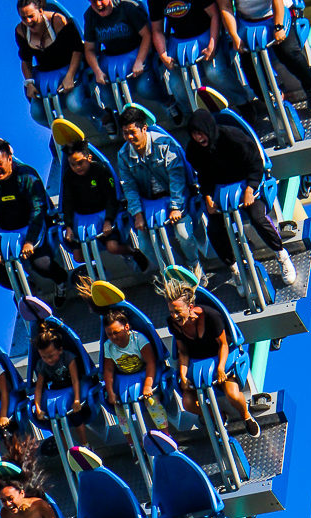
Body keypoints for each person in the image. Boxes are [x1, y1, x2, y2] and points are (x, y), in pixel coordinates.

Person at [185, 109, 296, 295]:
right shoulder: (194, 150)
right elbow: (204, 176)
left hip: (247, 183)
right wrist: (208, 197)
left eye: (201, 132)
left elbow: (256, 163)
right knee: (214, 230)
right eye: (194, 134)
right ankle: (235, 268)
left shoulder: (233, 138)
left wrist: (250, 188)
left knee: (257, 217)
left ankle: (281, 254)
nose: (198, 137)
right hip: (221, 190)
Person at [158, 278, 261, 436]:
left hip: (219, 357)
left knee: (232, 395)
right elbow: (183, 351)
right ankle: (216, 415)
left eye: (177, 311)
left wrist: (220, 369)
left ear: (190, 307)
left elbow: (223, 345)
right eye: (171, 312)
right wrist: (183, 376)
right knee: (188, 403)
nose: (174, 316)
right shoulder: (173, 323)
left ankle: (246, 416)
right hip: (196, 362)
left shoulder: (212, 316)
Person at [0, 135, 69, 308]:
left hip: (33, 227)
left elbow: (38, 208)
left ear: (9, 159)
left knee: (41, 265)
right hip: (7, 233)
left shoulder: (27, 175)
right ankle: (28, 288)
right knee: (0, 275)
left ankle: (61, 280)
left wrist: (30, 241)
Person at [117, 106, 205, 281]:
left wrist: (176, 207)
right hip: (149, 203)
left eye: (133, 132)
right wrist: (138, 214)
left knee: (184, 235)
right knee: (144, 245)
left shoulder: (164, 144)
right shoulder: (123, 155)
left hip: (174, 197)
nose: (129, 138)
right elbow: (129, 187)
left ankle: (194, 265)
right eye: (125, 134)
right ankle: (173, 273)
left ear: (144, 128)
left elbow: (177, 177)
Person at [83, 0, 181, 138]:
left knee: (145, 88)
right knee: (107, 96)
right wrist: (97, 71)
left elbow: (147, 35)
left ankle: (169, 103)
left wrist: (139, 61)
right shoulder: (90, 16)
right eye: (93, 1)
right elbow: (89, 49)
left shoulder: (128, 7)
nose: (98, 4)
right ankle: (121, 120)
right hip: (112, 57)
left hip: (137, 51)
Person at [217, 0, 311, 116]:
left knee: (289, 54)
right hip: (247, 22)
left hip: (275, 14)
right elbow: (225, 7)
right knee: (252, 72)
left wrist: (278, 27)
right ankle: (271, 97)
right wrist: (234, 36)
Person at [15, 0, 106, 130]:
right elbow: (25, 60)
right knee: (37, 114)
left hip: (70, 66)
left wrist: (69, 76)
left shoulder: (57, 21)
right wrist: (29, 83)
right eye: (24, 18)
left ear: (40, 11)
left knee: (75, 105)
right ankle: (61, 132)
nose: (28, 21)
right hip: (45, 73)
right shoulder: (21, 31)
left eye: (31, 16)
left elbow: (77, 50)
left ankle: (105, 117)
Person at [61, 139, 149, 272]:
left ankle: (134, 253)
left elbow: (111, 197)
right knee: (78, 257)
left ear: (89, 158)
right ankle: (99, 265)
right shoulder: (68, 176)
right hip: (82, 220)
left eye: (80, 163)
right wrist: (68, 226)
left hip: (103, 215)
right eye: (72, 164)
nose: (77, 168)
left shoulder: (100, 170)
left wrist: (108, 220)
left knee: (113, 247)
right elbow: (67, 202)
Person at [149, 0, 249, 113]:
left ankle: (243, 102)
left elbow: (214, 15)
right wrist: (163, 55)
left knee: (215, 73)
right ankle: (193, 113)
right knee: (177, 85)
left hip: (206, 33)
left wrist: (212, 45)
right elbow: (157, 30)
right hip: (179, 40)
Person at [102, 308, 170, 454]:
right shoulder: (108, 346)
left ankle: (166, 436)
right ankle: (133, 444)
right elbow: (108, 370)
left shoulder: (138, 339)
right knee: (120, 408)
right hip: (124, 378)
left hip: (143, 374)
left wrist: (148, 386)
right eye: (109, 334)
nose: (113, 337)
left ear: (126, 327)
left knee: (151, 401)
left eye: (116, 332)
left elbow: (151, 362)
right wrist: (111, 392)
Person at [34, 325, 91, 449]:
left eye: (51, 356)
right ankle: (69, 450)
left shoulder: (68, 358)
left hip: (70, 388)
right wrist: (38, 408)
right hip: (57, 389)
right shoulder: (42, 365)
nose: (48, 360)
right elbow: (38, 387)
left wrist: (77, 400)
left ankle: (85, 445)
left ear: (60, 350)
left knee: (76, 417)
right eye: (44, 357)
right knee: (52, 421)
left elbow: (75, 380)